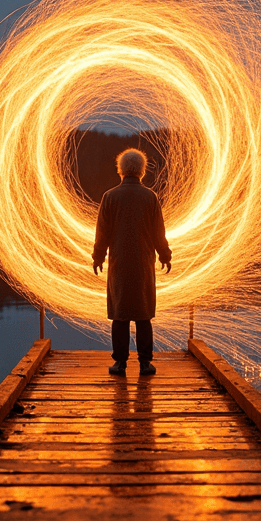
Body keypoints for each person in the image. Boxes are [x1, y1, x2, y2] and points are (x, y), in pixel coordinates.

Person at [92, 148, 172, 375]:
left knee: (120, 315)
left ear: (120, 170)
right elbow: (159, 233)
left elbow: (102, 234)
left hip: (119, 265)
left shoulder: (110, 197)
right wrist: (165, 255)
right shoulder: (151, 198)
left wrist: (98, 257)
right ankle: (146, 363)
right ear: (142, 171)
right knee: (143, 315)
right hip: (144, 265)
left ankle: (120, 363)